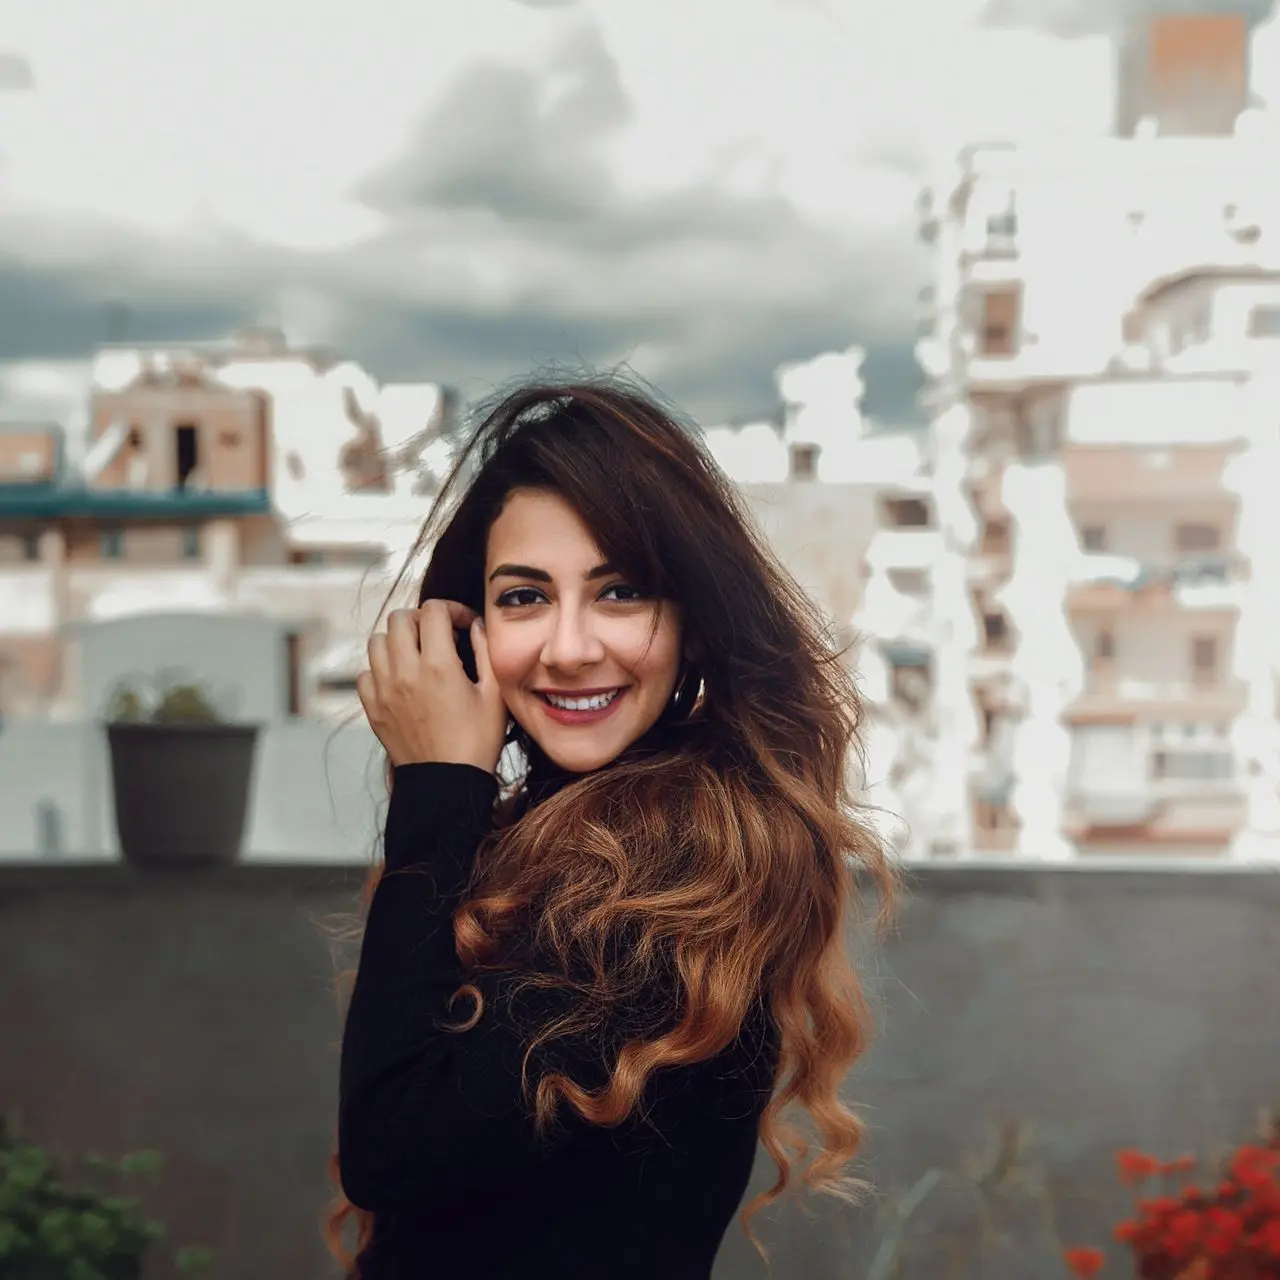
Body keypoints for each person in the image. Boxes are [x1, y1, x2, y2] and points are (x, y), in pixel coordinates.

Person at [323, 375, 897, 1279]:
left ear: (695, 625)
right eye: (524, 597)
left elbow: (394, 1150)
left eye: (620, 591)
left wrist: (436, 788)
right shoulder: (545, 840)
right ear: (468, 631)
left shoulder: (690, 867)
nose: (569, 646)